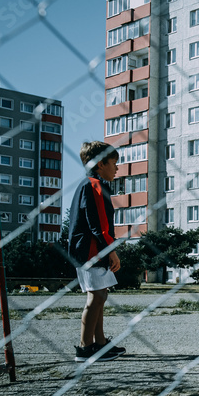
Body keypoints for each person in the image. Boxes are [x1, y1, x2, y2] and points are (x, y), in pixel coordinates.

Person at [68, 141, 125, 362]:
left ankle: (99, 343)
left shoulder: (90, 184)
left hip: (88, 249)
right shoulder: (94, 185)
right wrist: (111, 250)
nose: (117, 168)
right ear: (100, 164)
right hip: (92, 250)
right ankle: (85, 346)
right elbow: (99, 223)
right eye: (113, 163)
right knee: (98, 294)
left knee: (101, 293)